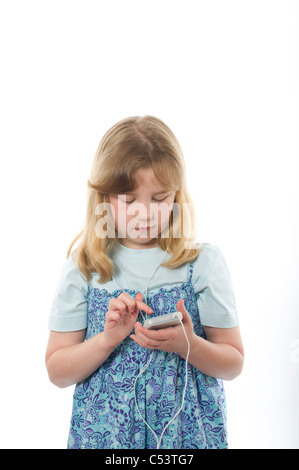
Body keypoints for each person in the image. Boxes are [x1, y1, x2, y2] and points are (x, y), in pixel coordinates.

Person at [45, 115, 244, 449]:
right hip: (106, 439)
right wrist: (106, 340)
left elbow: (233, 362)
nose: (145, 213)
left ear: (177, 196)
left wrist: (188, 344)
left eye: (159, 198)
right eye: (128, 199)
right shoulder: (86, 268)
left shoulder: (203, 264)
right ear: (104, 198)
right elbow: (57, 371)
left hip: (186, 439)